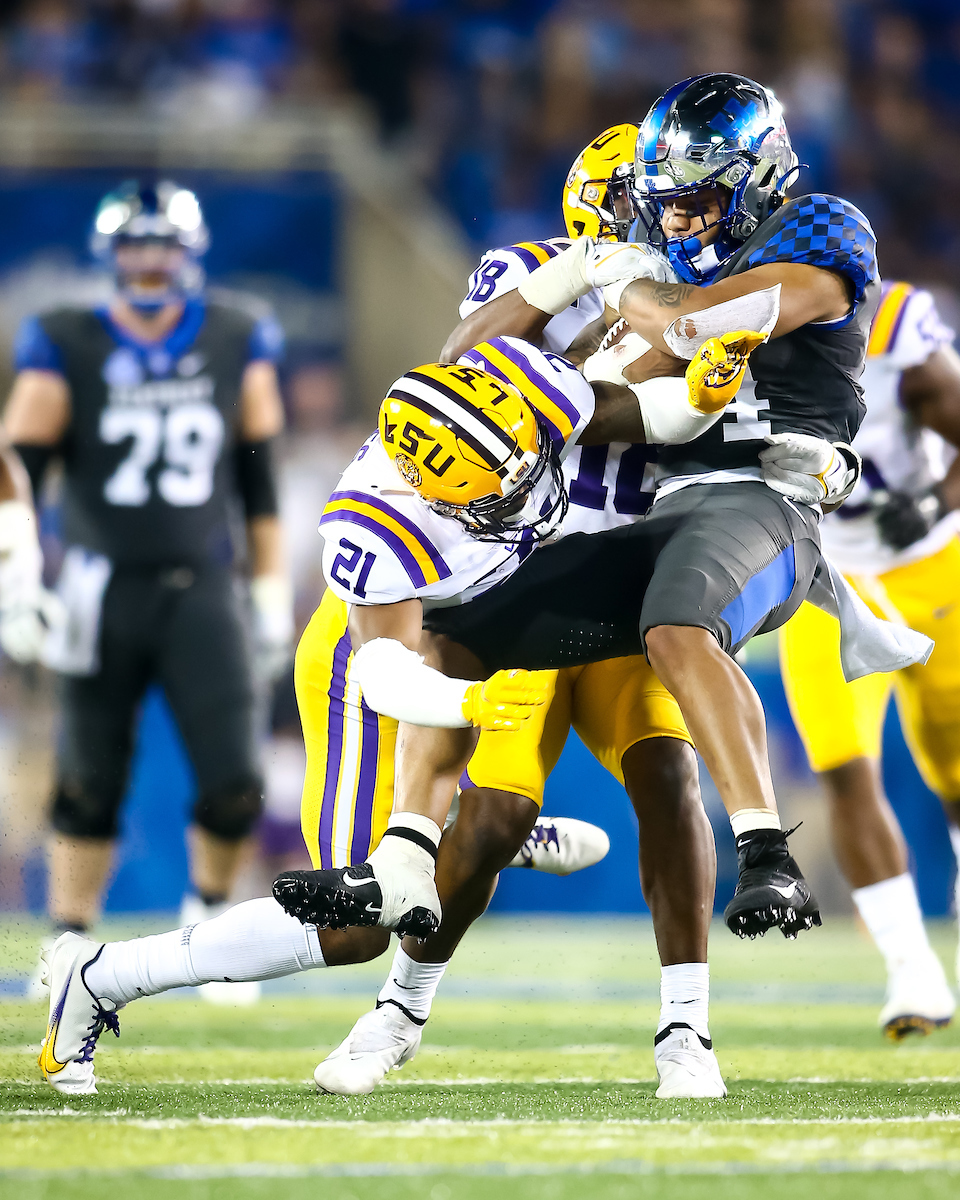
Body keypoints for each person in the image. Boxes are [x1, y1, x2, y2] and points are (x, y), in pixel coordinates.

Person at [36, 326, 763, 1096]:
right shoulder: (375, 525)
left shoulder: (524, 390)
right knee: (353, 928)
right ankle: (101, 974)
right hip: (382, 667)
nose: (521, 494)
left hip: (492, 638)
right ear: (425, 485)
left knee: (513, 812)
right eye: (492, 490)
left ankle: (456, 833)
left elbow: (643, 409)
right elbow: (387, 673)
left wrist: (698, 388)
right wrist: (473, 701)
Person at [275, 73, 896, 951]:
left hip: (725, 515)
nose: (668, 228)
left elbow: (687, 337)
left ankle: (755, 869)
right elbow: (569, 391)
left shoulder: (810, 233)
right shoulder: (575, 296)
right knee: (450, 677)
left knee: (668, 702)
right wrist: (582, 300)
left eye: (689, 206)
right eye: (652, 211)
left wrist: (621, 293)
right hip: (484, 575)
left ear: (752, 180)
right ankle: (412, 853)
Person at [309, 125, 727, 1101]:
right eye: (670, 202)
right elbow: (466, 362)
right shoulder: (529, 274)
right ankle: (401, 1012)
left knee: (670, 775)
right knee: (491, 818)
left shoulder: (710, 304)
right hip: (521, 580)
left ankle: (686, 1032)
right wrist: (594, 301)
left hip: (631, 583)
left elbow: (701, 415)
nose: (687, 222)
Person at [4, 181, 292, 1001]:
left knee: (235, 775)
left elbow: (257, 478)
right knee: (88, 779)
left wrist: (270, 588)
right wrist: (18, 578)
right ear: (111, 254)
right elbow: (15, 469)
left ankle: (208, 935)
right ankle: (69, 943)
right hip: (99, 584)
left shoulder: (238, 332)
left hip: (203, 580)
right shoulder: (66, 337)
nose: (150, 261)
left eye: (163, 244)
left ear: (190, 254)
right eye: (136, 244)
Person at [780, 280, 960, 1038]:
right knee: (843, 763)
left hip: (931, 567)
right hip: (825, 579)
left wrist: (938, 500)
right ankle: (912, 971)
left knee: (954, 770)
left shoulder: (897, 335)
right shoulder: (734, 337)